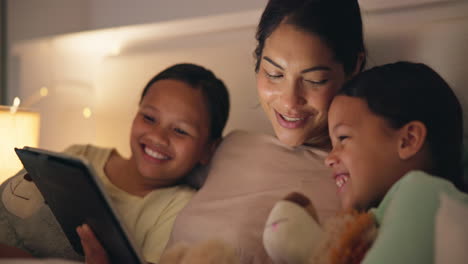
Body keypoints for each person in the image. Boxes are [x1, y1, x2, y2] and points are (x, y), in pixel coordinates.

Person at [70, 0, 367, 263]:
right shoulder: (231, 147)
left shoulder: (362, 174)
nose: (289, 101)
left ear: (354, 66)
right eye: (274, 73)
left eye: (314, 80)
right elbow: (151, 166)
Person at [0, 63, 230, 264]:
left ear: (209, 149)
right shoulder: (81, 154)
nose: (158, 137)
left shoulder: (176, 209)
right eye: (149, 118)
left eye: (180, 130)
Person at [325, 61, 468, 263]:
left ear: (408, 140)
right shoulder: (371, 225)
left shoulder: (423, 194)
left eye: (343, 138)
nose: (329, 158)